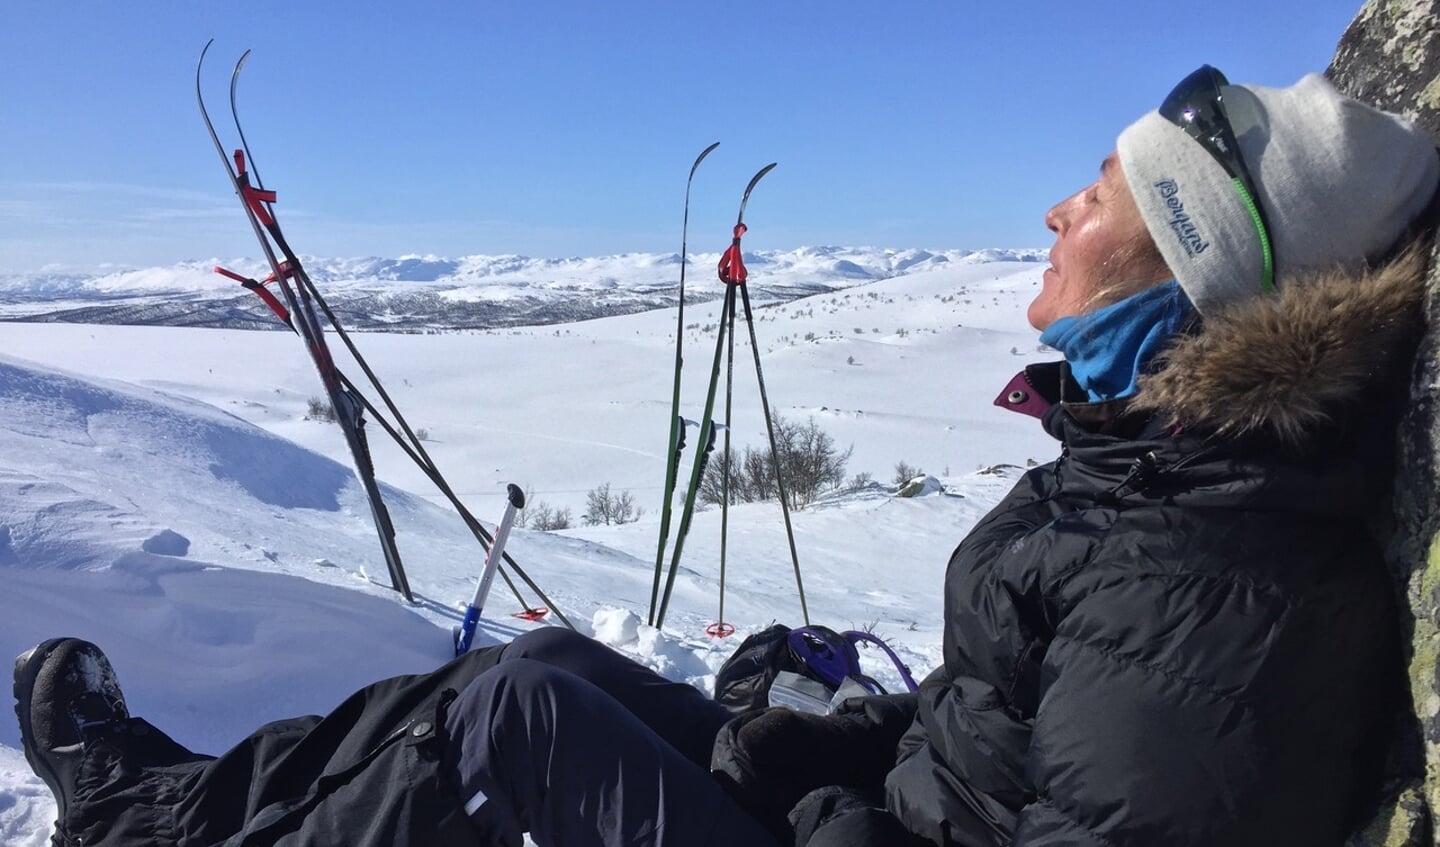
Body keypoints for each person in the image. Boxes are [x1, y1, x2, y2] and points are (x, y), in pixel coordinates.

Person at [14, 66, 1440, 847]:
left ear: (1186, 271)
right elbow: (994, 745)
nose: (1060, 204)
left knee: (525, 721)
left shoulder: (1219, 591)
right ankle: (170, 810)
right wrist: (827, 738)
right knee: (550, 669)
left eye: (1110, 192)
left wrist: (814, 796)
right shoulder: (1151, 465)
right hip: (870, 819)